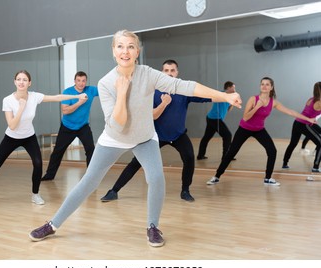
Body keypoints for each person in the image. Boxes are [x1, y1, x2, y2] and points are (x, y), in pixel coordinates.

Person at [29, 29, 242, 247]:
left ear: (137, 51)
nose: (125, 51)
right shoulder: (105, 83)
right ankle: (53, 224)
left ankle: (153, 226)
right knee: (88, 183)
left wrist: (224, 95)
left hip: (144, 137)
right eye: (120, 46)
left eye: (130, 46)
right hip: (114, 138)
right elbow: (119, 122)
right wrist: (121, 92)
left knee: (156, 178)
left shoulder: (147, 74)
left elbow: (183, 86)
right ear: (113, 51)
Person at [0, 70, 87, 207]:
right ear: (15, 82)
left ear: (29, 83)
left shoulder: (34, 96)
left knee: (38, 163)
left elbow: (56, 97)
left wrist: (77, 96)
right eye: (19, 79)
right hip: (11, 138)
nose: (21, 82)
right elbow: (12, 126)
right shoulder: (7, 100)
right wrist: (21, 107)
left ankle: (35, 194)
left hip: (29, 137)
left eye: (24, 80)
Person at [100, 59, 210, 203]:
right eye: (166, 71)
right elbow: (152, 115)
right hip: (156, 135)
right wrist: (164, 103)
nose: (169, 73)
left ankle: (185, 191)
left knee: (189, 158)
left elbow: (206, 96)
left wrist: (226, 96)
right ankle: (114, 191)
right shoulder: (153, 91)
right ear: (162, 72)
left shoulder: (183, 91)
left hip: (178, 135)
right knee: (136, 162)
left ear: (177, 72)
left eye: (172, 70)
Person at [206, 77, 316, 187]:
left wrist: (309, 119)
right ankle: (216, 176)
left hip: (259, 130)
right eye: (262, 84)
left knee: (272, 151)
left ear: (271, 87)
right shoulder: (253, 99)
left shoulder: (273, 103)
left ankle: (268, 178)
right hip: (244, 129)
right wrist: (257, 107)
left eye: (267, 84)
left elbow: (290, 112)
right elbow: (245, 118)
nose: (264, 86)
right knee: (231, 153)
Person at [41, 71, 98, 181]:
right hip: (67, 127)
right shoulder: (68, 92)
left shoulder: (91, 90)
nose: (81, 83)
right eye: (78, 80)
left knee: (90, 149)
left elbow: (106, 89)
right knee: (58, 151)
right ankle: (49, 175)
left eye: (83, 81)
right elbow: (65, 111)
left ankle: (91, 176)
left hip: (83, 126)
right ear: (74, 81)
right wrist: (79, 102)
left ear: (86, 81)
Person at [282, 81, 321, 172]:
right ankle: (315, 167)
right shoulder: (319, 102)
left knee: (293, 143)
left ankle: (285, 163)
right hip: (304, 124)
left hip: (297, 123)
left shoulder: (311, 99)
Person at [197, 81, 235, 160]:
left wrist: (233, 103)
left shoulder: (230, 96)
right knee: (228, 135)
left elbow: (228, 109)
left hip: (212, 118)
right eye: (233, 88)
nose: (234, 89)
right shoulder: (220, 94)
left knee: (206, 138)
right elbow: (220, 97)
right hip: (214, 119)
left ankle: (200, 156)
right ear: (228, 88)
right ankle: (226, 157)